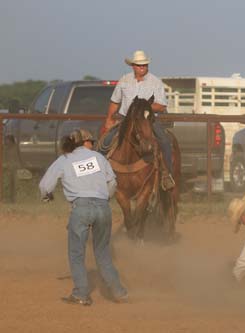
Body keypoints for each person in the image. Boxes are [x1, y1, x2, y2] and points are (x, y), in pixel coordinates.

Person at [39, 129, 128, 306]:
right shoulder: (99, 158)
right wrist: (104, 199)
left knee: (76, 253)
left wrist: (47, 196)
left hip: (80, 208)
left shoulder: (64, 159)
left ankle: (81, 294)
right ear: (85, 142)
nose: (93, 144)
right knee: (102, 253)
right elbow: (113, 182)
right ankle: (118, 291)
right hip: (103, 208)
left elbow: (45, 185)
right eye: (91, 141)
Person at [101, 50, 174, 189]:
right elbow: (115, 101)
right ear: (133, 66)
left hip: (147, 119)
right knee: (105, 141)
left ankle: (166, 174)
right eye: (139, 65)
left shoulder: (155, 82)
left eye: (145, 65)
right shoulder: (124, 80)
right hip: (125, 119)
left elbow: (161, 105)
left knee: (164, 141)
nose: (143, 67)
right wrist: (109, 118)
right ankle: (100, 175)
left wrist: (144, 108)